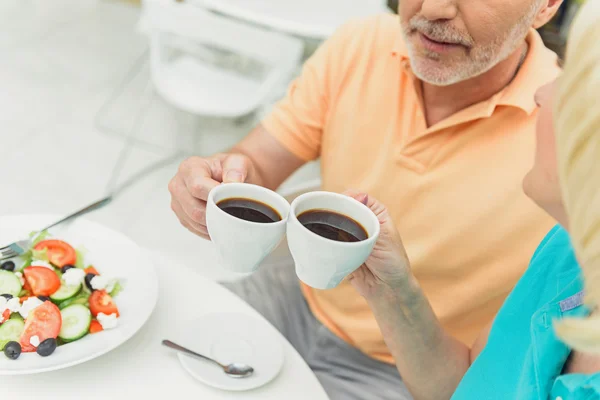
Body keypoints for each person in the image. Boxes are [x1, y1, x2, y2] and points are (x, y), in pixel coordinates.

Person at [169, 0, 563, 398]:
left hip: (406, 367)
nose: (433, 8)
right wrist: (217, 182)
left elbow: (473, 383)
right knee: (160, 353)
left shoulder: (568, 137)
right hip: (299, 294)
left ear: (546, 6)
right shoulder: (361, 43)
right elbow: (257, 163)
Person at [346, 1, 600, 398]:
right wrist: (390, 288)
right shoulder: (565, 252)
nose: (542, 94)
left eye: (570, 81)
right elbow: (465, 387)